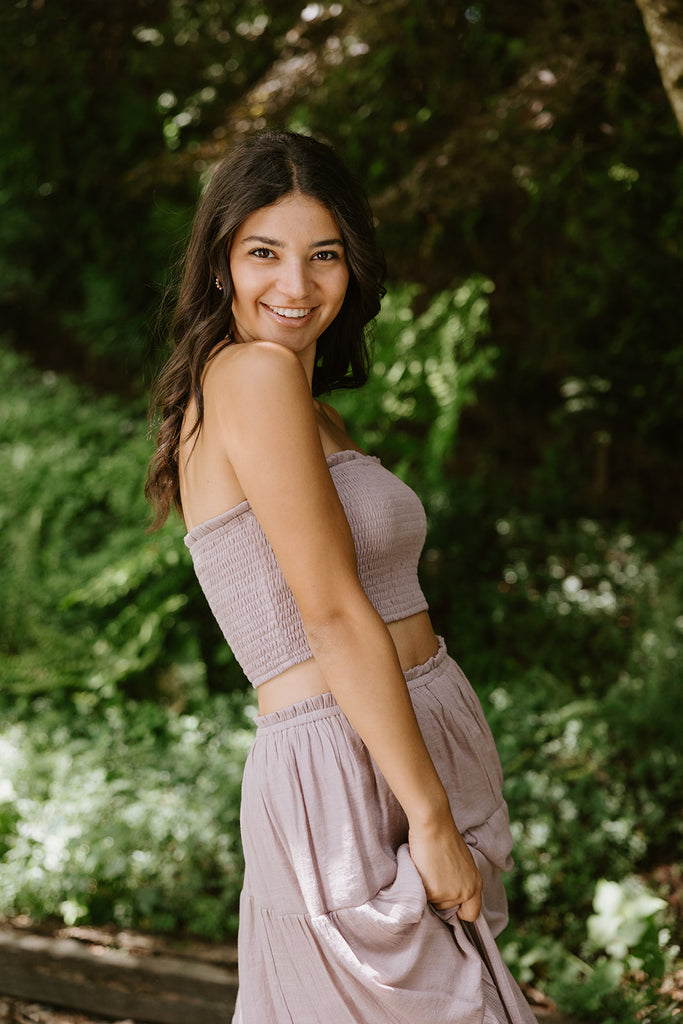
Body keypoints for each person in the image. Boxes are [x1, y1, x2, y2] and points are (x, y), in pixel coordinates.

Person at [146, 129, 536, 1024]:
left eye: (323, 255)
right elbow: (326, 610)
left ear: (352, 264)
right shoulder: (250, 377)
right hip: (346, 766)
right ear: (218, 265)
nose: (295, 285)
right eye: (263, 253)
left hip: (387, 747)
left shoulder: (305, 402)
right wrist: (430, 819)